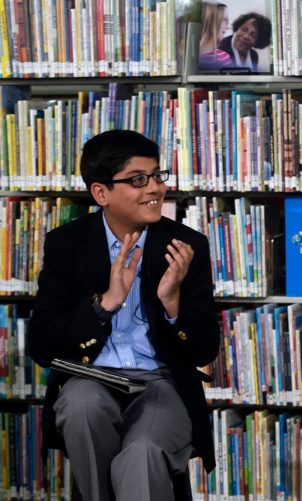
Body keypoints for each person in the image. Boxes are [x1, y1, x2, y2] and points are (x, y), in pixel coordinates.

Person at [29, 130, 220, 500]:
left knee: (142, 454)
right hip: (92, 377)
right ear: (101, 193)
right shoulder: (67, 245)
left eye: (156, 176)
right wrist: (105, 303)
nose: (154, 189)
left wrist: (172, 302)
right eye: (137, 180)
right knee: (82, 406)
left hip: (160, 381)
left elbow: (204, 350)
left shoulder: (186, 245)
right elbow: (42, 345)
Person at [198, 2, 233, 70]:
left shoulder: (224, 58)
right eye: (225, 20)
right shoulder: (185, 59)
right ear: (211, 21)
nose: (228, 27)